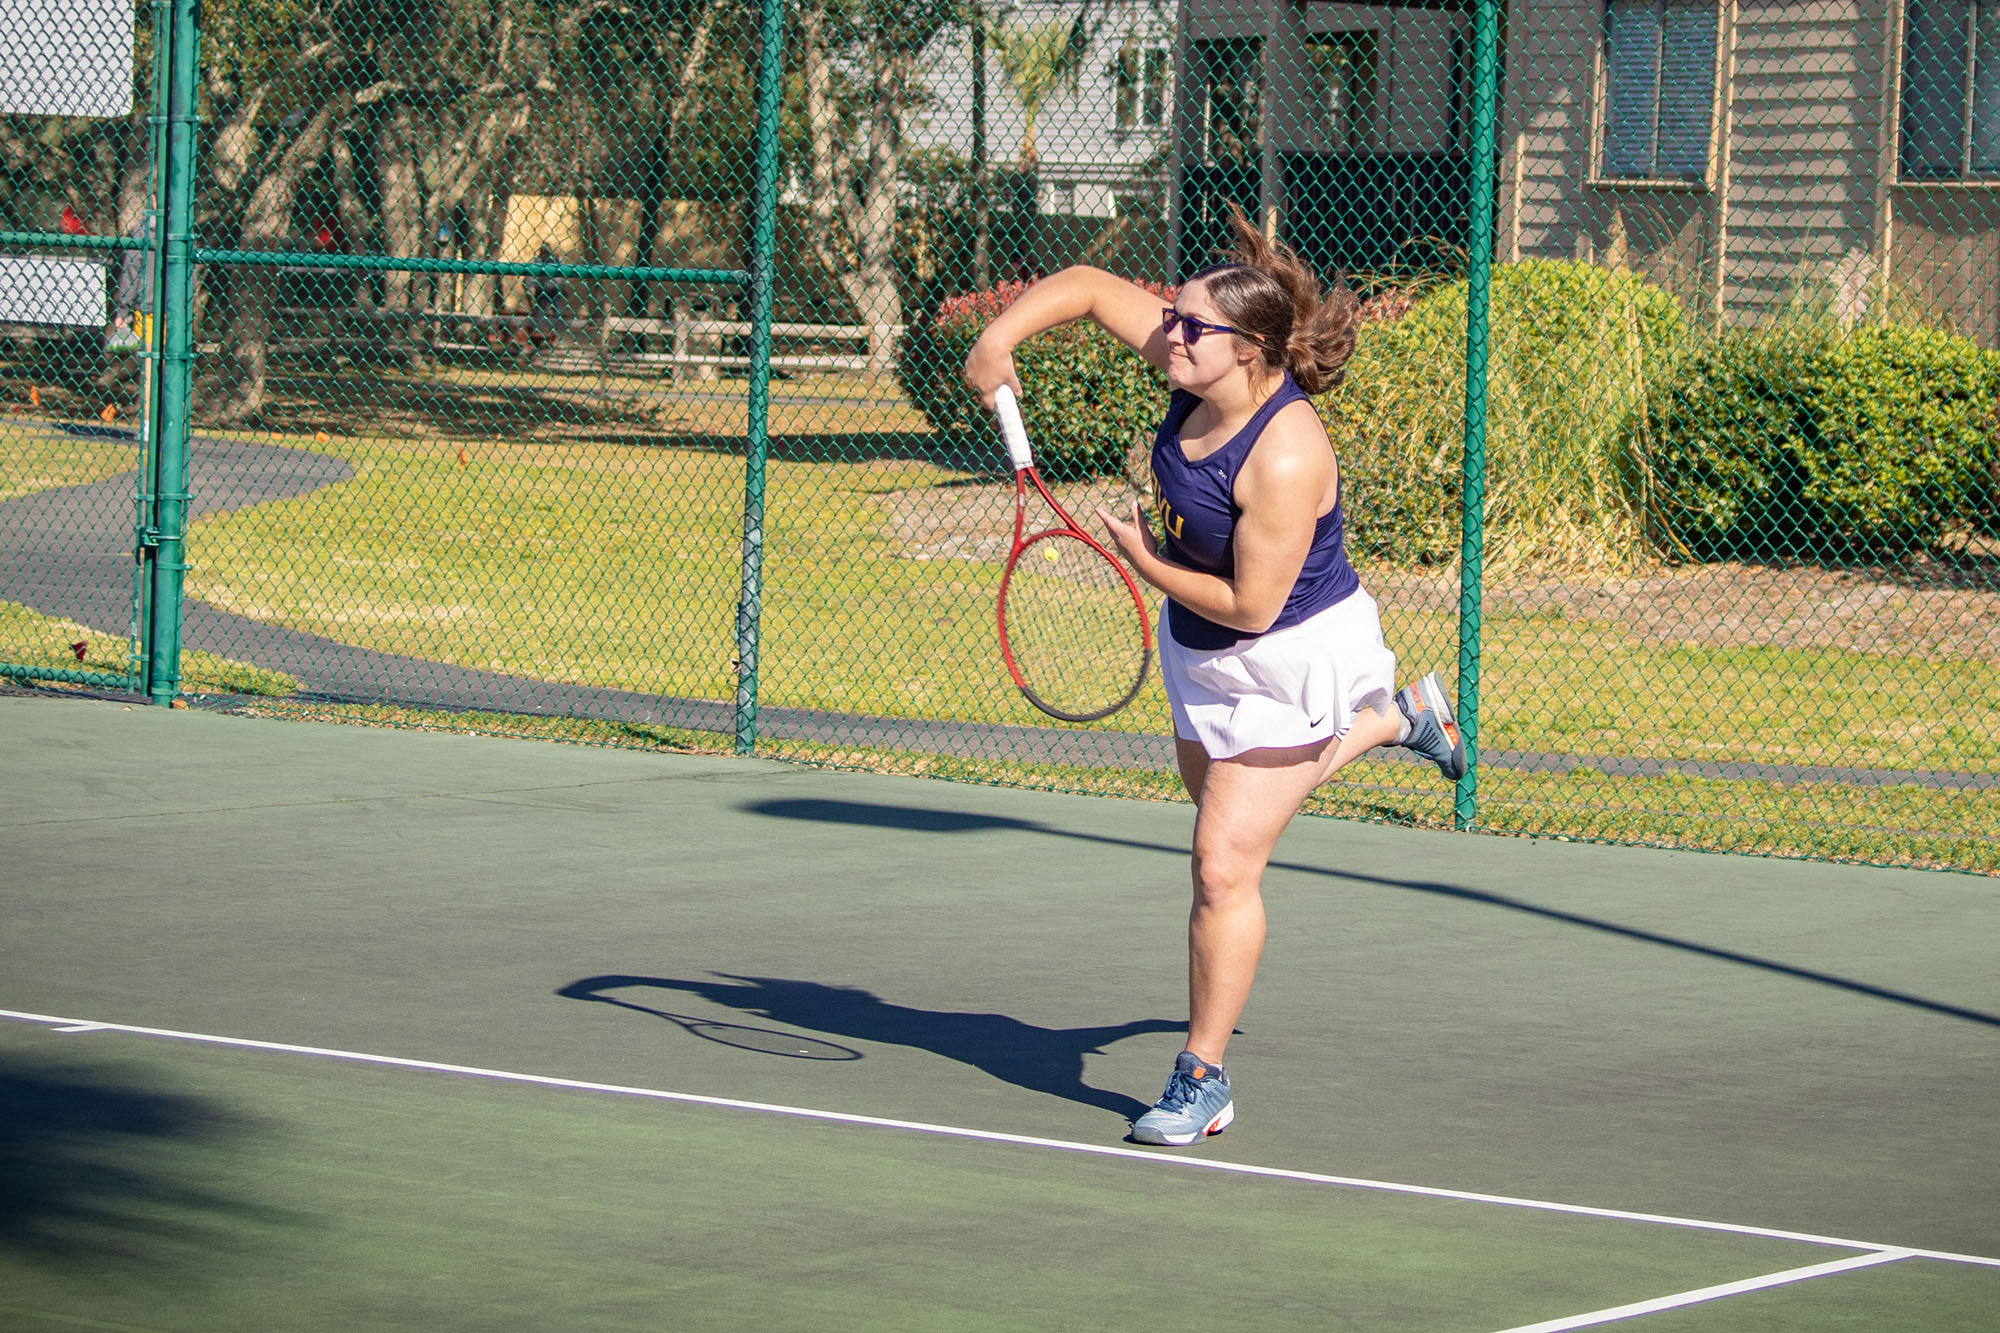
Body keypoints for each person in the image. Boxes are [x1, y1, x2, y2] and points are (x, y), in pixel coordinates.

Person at [962, 208, 1466, 1147]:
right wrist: (998, 340)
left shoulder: (1284, 450)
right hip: (1198, 653)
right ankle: (1399, 721)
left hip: (1287, 651)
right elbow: (1079, 285)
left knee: (1222, 861)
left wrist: (1140, 556)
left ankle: (1202, 1073)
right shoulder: (1199, 358)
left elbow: (1253, 608)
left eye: (1193, 326)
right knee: (1228, 820)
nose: (1171, 332)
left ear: (1252, 353)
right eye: (1176, 318)